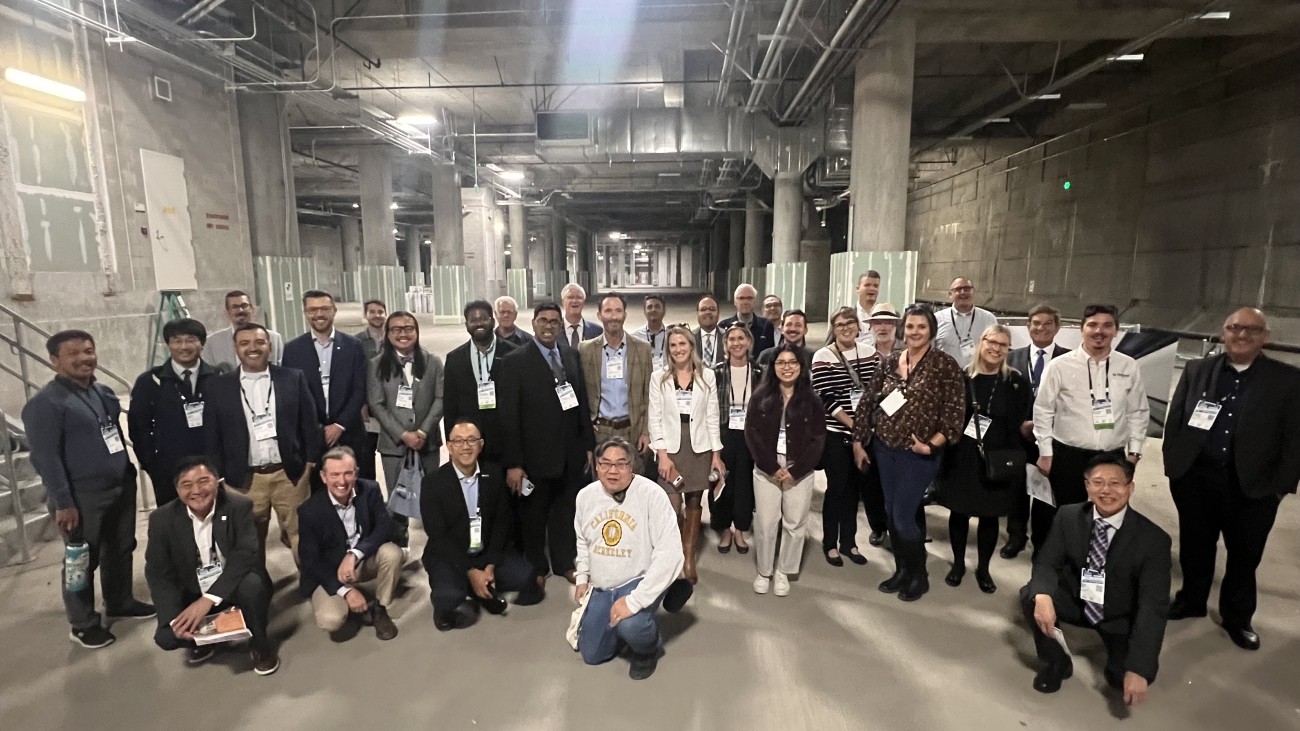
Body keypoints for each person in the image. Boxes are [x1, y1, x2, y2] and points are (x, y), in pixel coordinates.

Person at [1162, 307, 1300, 651]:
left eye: (1251, 330)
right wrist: (1174, 467)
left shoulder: (1286, 379)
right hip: (1196, 478)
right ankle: (1191, 600)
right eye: (1234, 328)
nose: (1241, 335)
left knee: (1245, 554)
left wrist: (1280, 487)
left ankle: (1237, 617)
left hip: (1253, 486)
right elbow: (1177, 419)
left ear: (1264, 336)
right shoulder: (1198, 370)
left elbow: (1294, 438)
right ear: (1223, 333)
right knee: (1195, 546)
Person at [24, 330, 154, 649]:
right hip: (80, 498)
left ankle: (120, 601)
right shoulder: (45, 404)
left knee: (121, 547)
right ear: (54, 361)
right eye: (74, 354)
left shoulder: (103, 393)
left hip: (119, 486)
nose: (84, 358)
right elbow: (46, 458)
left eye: (89, 351)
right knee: (80, 558)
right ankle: (82, 622)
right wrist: (63, 501)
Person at [1020, 454, 1171, 705]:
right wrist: (1043, 595)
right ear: (1087, 486)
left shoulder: (1154, 540)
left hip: (1119, 614)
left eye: (1115, 483)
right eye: (1098, 482)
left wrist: (1139, 668)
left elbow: (1153, 606)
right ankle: (1056, 662)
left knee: (1120, 677)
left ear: (1130, 488)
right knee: (1031, 595)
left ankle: (1119, 658)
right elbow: (1047, 561)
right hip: (1077, 598)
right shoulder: (1067, 516)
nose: (1106, 491)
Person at [853, 305, 965, 602]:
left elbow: (954, 414)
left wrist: (932, 445)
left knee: (903, 516)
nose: (915, 332)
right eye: (911, 326)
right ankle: (902, 570)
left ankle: (920, 575)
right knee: (890, 512)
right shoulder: (890, 361)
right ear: (904, 329)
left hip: (918, 455)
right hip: (884, 449)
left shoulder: (944, 365)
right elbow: (868, 401)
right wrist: (860, 441)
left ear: (931, 331)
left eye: (922, 327)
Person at [1031, 305, 1149, 556]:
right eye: (1093, 325)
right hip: (1067, 456)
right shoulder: (1060, 366)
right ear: (1082, 330)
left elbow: (1138, 411)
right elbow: (1043, 411)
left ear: (1116, 331)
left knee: (1106, 515)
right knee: (1059, 515)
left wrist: (1134, 453)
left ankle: (1094, 567)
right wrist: (1045, 451)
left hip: (1112, 456)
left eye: (1107, 325)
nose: (1100, 331)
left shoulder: (1128, 367)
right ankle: (1048, 570)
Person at [144, 457, 278, 674]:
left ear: (217, 481)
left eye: (204, 481)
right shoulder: (162, 519)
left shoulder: (239, 506)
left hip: (232, 585)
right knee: (167, 637)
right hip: (194, 590)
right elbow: (158, 573)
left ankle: (261, 645)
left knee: (252, 585)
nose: (196, 490)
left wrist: (209, 599)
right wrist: (172, 619)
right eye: (186, 485)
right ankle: (205, 640)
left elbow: (245, 555)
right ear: (177, 490)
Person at [574, 438, 692, 680]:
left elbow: (670, 553)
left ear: (632, 467)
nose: (612, 471)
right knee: (592, 654)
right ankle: (657, 597)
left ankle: (649, 650)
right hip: (602, 585)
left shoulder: (652, 495)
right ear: (597, 466)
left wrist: (634, 602)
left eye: (620, 464)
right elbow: (582, 541)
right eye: (605, 463)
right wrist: (582, 578)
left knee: (632, 624)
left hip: (638, 577)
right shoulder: (585, 496)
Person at [204, 323, 322, 558]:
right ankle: (259, 590)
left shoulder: (292, 377)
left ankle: (312, 585)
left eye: (259, 342)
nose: (253, 348)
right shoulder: (218, 386)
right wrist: (220, 476)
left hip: (290, 476)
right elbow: (211, 434)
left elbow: (309, 423)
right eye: (244, 343)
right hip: (245, 480)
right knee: (250, 542)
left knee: (302, 536)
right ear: (235, 348)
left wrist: (309, 463)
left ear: (269, 345)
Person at [498, 302, 595, 583]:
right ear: (533, 324)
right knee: (533, 514)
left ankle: (564, 562)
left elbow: (581, 402)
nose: (549, 326)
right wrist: (514, 464)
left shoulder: (570, 355)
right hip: (533, 458)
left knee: (564, 513)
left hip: (569, 453)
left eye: (555, 321)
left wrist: (587, 444)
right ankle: (537, 567)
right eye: (543, 321)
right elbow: (509, 416)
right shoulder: (516, 361)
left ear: (561, 326)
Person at [936, 325, 1033, 594]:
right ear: (982, 342)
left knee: (990, 516)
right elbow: (949, 414)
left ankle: (983, 568)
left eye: (1003, 345)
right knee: (960, 512)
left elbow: (1018, 420)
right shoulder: (962, 377)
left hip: (997, 457)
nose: (996, 349)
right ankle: (957, 564)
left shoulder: (1015, 382)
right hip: (963, 455)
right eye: (992, 342)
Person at [422, 421, 545, 630]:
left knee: (528, 580)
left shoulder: (494, 475)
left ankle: (481, 587)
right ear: (449, 447)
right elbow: (438, 536)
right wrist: (471, 571)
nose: (466, 446)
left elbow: (501, 523)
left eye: (472, 440)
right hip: (450, 556)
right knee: (449, 599)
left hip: (486, 551)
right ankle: (472, 588)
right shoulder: (433, 483)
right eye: (459, 441)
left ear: (481, 445)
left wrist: (489, 565)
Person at [744, 342, 827, 597]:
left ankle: (783, 571)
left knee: (794, 523)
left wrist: (797, 469)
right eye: (781, 363)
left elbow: (818, 438)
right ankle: (765, 571)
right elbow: (751, 432)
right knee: (767, 522)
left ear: (801, 367)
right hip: (767, 469)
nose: (787, 367)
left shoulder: (811, 399)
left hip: (798, 471)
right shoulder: (761, 395)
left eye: (792, 362)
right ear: (773, 367)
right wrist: (770, 467)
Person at [296, 447, 402, 640]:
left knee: (393, 553)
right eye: (334, 474)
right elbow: (310, 561)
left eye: (348, 473)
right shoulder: (309, 511)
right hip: (329, 572)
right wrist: (346, 591)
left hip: (360, 561)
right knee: (331, 620)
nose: (342, 481)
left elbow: (384, 526)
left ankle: (380, 608)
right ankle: (353, 604)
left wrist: (355, 554)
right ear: (323, 476)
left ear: (356, 473)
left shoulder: (370, 489)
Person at [649, 326, 726, 584]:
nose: (678, 349)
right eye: (673, 345)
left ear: (691, 346)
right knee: (672, 502)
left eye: (683, 344)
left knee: (694, 501)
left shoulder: (707, 376)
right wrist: (662, 454)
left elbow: (713, 416)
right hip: (671, 448)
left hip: (699, 448)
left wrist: (716, 454)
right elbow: (655, 418)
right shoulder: (659, 377)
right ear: (668, 349)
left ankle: (688, 554)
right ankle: (670, 555)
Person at [367, 311, 444, 548]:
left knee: (431, 496)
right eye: (397, 329)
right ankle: (400, 544)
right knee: (397, 498)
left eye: (409, 328)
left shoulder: (432, 362)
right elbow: (376, 404)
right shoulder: (376, 365)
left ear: (417, 332)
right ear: (388, 334)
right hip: (394, 445)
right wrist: (403, 434)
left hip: (427, 443)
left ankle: (439, 545)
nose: (403, 334)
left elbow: (441, 398)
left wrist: (422, 432)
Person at [811, 307, 878, 567]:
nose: (846, 328)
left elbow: (875, 393)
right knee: (836, 489)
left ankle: (849, 543)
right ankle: (830, 544)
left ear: (858, 326)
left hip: (865, 434)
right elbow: (826, 398)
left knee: (854, 491)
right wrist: (854, 426)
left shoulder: (870, 354)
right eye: (839, 325)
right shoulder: (823, 356)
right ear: (833, 329)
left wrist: (863, 430)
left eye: (850, 323)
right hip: (836, 435)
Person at [282, 290, 369, 490]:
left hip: (349, 432)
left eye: (324, 309)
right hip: (312, 436)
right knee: (318, 493)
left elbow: (360, 389)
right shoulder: (293, 349)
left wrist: (339, 425)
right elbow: (292, 395)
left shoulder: (354, 346)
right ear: (305, 312)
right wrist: (317, 428)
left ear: (334, 311)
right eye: (313, 309)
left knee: (354, 488)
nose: (319, 314)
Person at [1002, 304, 1069, 559]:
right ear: (1028, 326)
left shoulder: (1067, 359)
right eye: (1036, 323)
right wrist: (1020, 423)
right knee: (1017, 490)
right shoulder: (1012, 358)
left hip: (1051, 438)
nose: (1041, 328)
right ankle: (1016, 538)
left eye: (1047, 323)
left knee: (1045, 493)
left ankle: (1042, 543)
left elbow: (1070, 401)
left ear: (1057, 327)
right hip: (1018, 436)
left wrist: (1043, 427)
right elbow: (1004, 398)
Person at [128, 317, 218, 506]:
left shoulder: (219, 377)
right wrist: (153, 465)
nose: (184, 346)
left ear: (202, 343)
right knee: (175, 525)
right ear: (168, 344)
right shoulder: (150, 381)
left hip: (213, 469)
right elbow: (138, 427)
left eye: (191, 340)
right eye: (177, 341)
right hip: (169, 473)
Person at [579, 293, 652, 471]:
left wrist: (645, 432)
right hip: (600, 432)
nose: (613, 316)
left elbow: (649, 394)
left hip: (632, 431)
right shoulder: (585, 350)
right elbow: (582, 396)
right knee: (604, 485)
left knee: (634, 485)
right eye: (608, 311)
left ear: (625, 315)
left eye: (618, 311)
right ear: (599, 315)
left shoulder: (642, 349)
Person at [443, 300, 517, 464]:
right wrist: (453, 447)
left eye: (483, 318)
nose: (479, 324)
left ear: (492, 320)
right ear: (466, 324)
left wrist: (517, 458)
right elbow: (449, 408)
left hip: (505, 442)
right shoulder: (455, 359)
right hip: (468, 444)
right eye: (473, 320)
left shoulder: (513, 354)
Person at [710, 324, 759, 555]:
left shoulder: (760, 372)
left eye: (741, 338)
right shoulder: (716, 372)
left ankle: (740, 529)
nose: (736, 343)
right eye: (731, 339)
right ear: (725, 344)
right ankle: (724, 529)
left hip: (750, 435)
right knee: (721, 482)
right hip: (723, 434)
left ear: (749, 342)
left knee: (745, 484)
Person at [858, 302, 900, 544]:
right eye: (877, 322)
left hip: (899, 431)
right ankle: (878, 526)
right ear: (870, 326)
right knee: (870, 483)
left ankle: (899, 527)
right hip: (869, 429)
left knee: (897, 485)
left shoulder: (907, 353)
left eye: (888, 322)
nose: (882, 327)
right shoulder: (862, 354)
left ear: (895, 325)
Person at [202, 290, 284, 371]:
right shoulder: (211, 343)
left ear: (252, 309)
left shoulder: (274, 338)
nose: (240, 310)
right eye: (235, 307)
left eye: (244, 305)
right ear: (227, 312)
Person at [353, 299, 388, 481]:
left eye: (380, 311)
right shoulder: (356, 342)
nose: (377, 315)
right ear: (365, 315)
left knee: (392, 456)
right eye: (372, 312)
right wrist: (361, 404)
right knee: (366, 457)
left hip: (390, 407)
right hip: (367, 410)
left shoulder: (393, 339)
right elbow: (355, 376)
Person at [934, 277, 999, 368]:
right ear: (950, 294)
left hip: (978, 376)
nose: (963, 292)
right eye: (958, 289)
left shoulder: (988, 318)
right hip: (945, 376)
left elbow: (995, 348)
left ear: (973, 292)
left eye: (967, 289)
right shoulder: (937, 319)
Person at [720, 283, 775, 354]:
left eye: (749, 298)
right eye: (741, 298)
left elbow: (770, 354)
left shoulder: (766, 325)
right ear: (735, 302)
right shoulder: (724, 326)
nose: (745, 302)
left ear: (755, 301)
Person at [631, 294, 668, 367]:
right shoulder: (636, 337)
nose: (653, 310)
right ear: (644, 312)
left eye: (657, 306)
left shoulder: (672, 334)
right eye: (649, 307)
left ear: (664, 311)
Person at [560, 283, 600, 348]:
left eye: (579, 297)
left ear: (584, 302)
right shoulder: (554, 330)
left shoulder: (597, 331)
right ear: (563, 301)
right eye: (570, 297)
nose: (575, 301)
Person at [693, 294, 726, 367]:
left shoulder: (727, 337)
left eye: (712, 309)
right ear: (697, 314)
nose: (708, 312)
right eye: (703, 309)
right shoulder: (689, 338)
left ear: (718, 313)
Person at [855, 270, 882, 337]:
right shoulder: (845, 316)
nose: (872, 288)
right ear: (857, 288)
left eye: (875, 286)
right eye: (867, 285)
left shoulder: (889, 316)